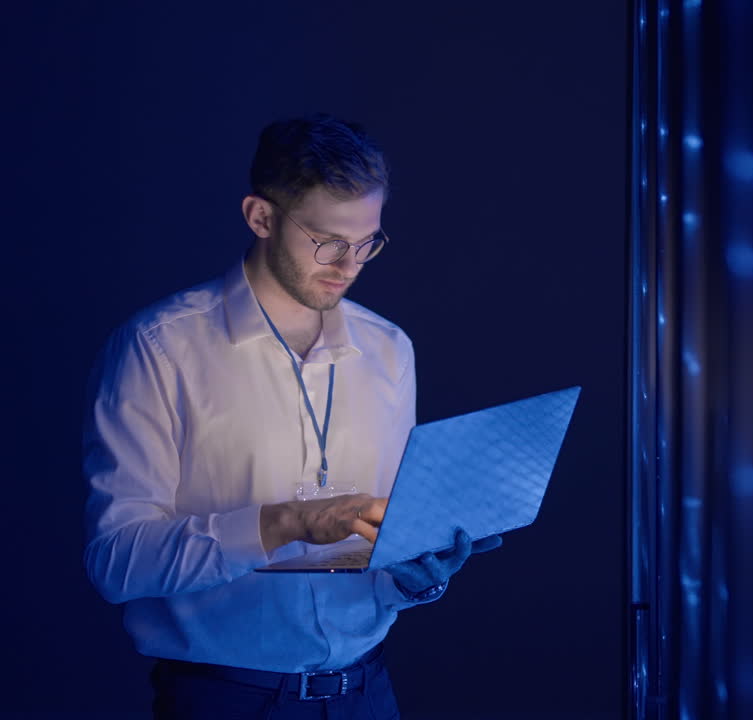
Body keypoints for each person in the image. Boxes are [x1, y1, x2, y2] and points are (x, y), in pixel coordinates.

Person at [82, 113, 499, 719]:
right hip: (225, 700)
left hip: (368, 697)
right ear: (261, 217)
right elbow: (116, 562)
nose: (349, 265)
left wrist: (418, 572)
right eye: (328, 241)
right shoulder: (159, 349)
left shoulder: (390, 350)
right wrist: (288, 523)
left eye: (368, 243)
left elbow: (380, 555)